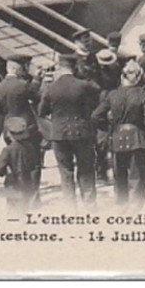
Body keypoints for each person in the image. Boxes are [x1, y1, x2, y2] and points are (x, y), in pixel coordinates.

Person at [92, 59, 145, 210]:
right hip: (137, 137)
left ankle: (121, 205)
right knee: (137, 176)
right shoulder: (142, 94)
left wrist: (110, 126)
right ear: (139, 77)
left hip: (116, 137)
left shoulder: (112, 95)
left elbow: (95, 116)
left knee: (119, 174)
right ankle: (135, 207)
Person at [38, 53, 101, 207]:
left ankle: (70, 207)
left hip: (59, 134)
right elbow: (97, 91)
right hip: (82, 132)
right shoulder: (83, 85)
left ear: (59, 68)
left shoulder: (51, 88)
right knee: (86, 170)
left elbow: (41, 111)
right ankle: (90, 206)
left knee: (66, 172)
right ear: (75, 68)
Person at [0, 54, 41, 149]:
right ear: (17, 69)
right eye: (23, 68)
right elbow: (37, 97)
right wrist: (36, 80)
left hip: (9, 130)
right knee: (33, 158)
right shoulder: (23, 85)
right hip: (27, 128)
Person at [0, 116, 41, 212]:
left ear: (9, 134)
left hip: (12, 184)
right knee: (25, 208)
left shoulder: (8, 150)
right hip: (27, 182)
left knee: (13, 208)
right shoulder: (30, 147)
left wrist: (4, 172)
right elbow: (34, 165)